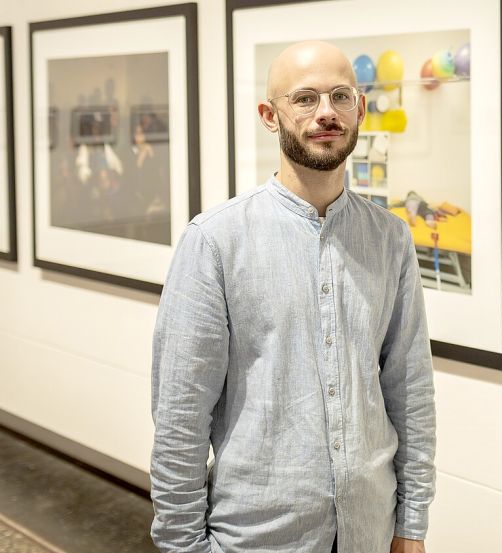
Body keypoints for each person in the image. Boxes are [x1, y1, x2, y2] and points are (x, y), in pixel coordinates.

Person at [150, 41, 436, 553]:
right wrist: (180, 545)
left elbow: (409, 391)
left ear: (361, 109)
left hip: (368, 533)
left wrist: (411, 523)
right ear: (269, 115)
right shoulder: (215, 241)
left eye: (340, 97)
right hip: (255, 539)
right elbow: (180, 417)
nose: (326, 113)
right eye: (305, 98)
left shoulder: (391, 239)